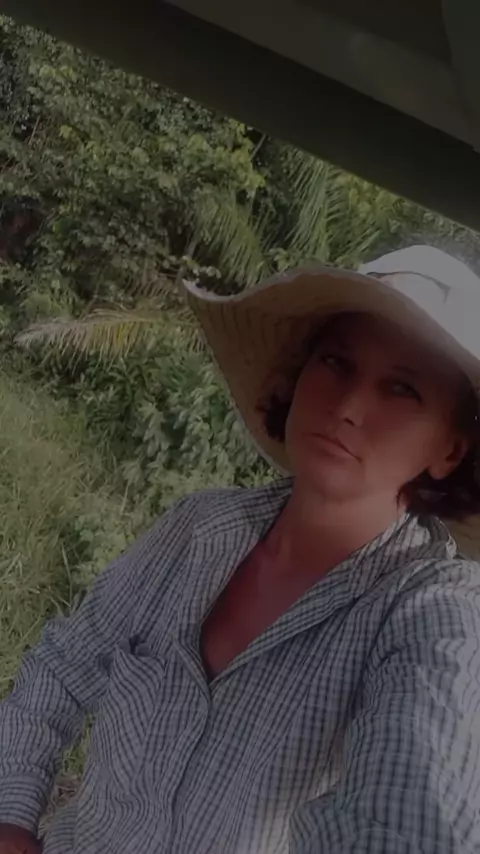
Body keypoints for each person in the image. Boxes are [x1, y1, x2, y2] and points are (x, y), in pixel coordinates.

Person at [1, 245, 480, 854]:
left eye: (402, 390)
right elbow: (65, 666)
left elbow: (410, 818)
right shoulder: (198, 529)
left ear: (449, 451)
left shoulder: (429, 613)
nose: (349, 407)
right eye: (336, 361)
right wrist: (11, 818)